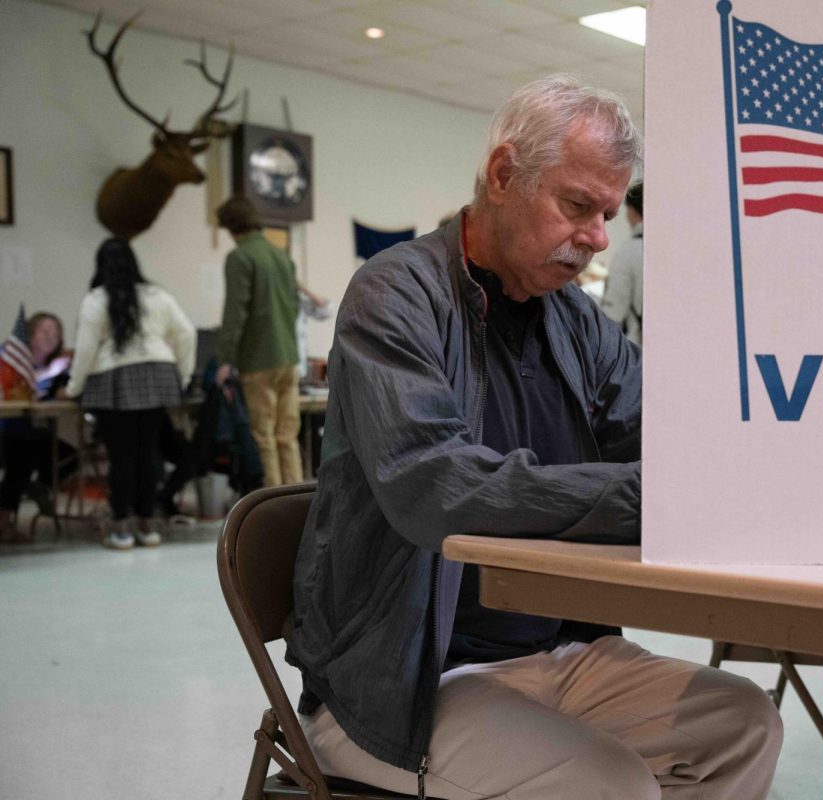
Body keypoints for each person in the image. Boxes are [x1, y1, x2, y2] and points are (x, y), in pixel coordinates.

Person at [286, 75, 783, 799]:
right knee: (610, 784)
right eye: (578, 205)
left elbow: (664, 437)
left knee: (744, 721)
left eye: (608, 213)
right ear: (502, 175)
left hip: (558, 649)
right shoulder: (395, 296)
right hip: (407, 675)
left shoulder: (573, 320)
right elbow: (437, 487)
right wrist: (650, 494)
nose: (598, 237)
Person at [65, 238, 196, 550]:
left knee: (121, 456)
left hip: (113, 379)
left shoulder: (96, 299)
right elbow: (186, 333)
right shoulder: (156, 295)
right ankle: (148, 526)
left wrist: (74, 388)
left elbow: (85, 349)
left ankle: (121, 528)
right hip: (158, 373)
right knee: (148, 453)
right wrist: (184, 375)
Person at [214, 196, 301, 487]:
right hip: (288, 356)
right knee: (287, 436)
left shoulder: (240, 257)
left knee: (264, 438)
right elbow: (295, 306)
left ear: (230, 227)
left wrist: (226, 358)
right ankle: (297, 501)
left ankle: (273, 508)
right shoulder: (281, 255)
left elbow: (235, 312)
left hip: (258, 358)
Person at [0, 311, 76, 543]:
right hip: (8, 428)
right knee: (20, 459)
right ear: (31, 333)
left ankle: (39, 487)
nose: (50, 337)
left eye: (56, 333)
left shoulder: (60, 368)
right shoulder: (11, 360)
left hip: (38, 431)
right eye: (45, 331)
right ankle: (4, 524)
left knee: (70, 456)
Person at [600, 180, 644, 345]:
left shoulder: (628, 253)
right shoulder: (675, 250)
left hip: (638, 353)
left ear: (631, 211)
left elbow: (612, 315)